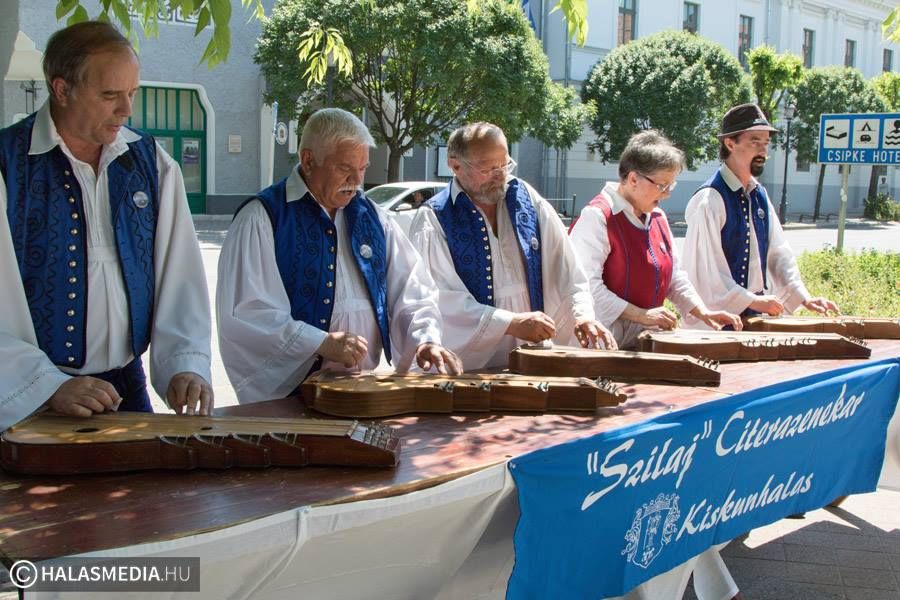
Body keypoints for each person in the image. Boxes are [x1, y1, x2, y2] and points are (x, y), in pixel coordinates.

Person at [0, 22, 214, 430]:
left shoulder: (149, 162)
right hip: (29, 399)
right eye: (110, 95)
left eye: (131, 93)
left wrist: (185, 364)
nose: (127, 110)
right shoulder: (8, 165)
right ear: (61, 90)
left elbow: (180, 276)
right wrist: (43, 384)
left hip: (125, 387)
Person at [217, 108, 461, 403]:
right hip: (290, 394)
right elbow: (247, 313)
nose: (357, 181)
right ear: (308, 160)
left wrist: (425, 339)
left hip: (361, 387)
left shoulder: (373, 217)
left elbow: (412, 288)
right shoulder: (263, 217)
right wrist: (319, 343)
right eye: (344, 168)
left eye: (363, 169)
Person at [409, 122, 615, 370]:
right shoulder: (434, 218)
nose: (499, 175)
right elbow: (438, 298)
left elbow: (566, 266)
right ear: (454, 165)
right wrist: (510, 323)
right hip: (472, 365)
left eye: (504, 164)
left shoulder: (526, 198)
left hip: (532, 356)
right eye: (487, 168)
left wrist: (582, 315)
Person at [569, 130, 741, 348]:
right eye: (662, 186)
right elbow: (586, 286)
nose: (667, 193)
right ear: (633, 179)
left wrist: (703, 312)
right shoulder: (597, 217)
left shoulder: (657, 217)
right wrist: (641, 315)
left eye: (671, 185)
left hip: (643, 341)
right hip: (602, 343)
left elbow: (674, 277)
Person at [683, 103, 838, 325]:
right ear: (730, 143)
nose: (763, 151)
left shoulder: (760, 196)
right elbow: (705, 274)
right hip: (716, 326)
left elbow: (778, 254)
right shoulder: (709, 200)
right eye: (754, 141)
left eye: (766, 143)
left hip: (754, 319)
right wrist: (751, 301)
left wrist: (803, 297)